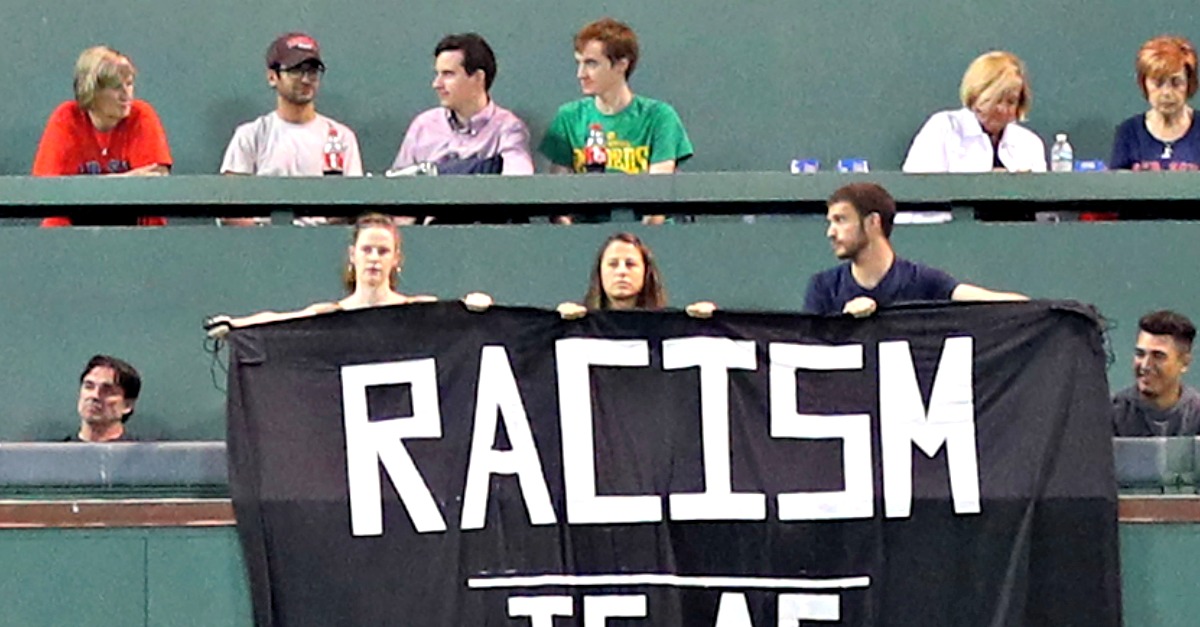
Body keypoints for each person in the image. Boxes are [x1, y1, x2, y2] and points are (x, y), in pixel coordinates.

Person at [804, 182, 1027, 317]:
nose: (831, 232)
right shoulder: (823, 288)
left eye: (841, 220)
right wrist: (843, 324)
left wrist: (1046, 315)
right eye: (830, 221)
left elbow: (993, 302)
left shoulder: (924, 282)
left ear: (873, 222)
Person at [206, 213, 436, 333]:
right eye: (367, 250)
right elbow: (280, 321)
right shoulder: (331, 314)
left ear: (396, 258)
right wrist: (237, 325)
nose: (374, 257)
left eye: (383, 251)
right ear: (352, 254)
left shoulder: (419, 308)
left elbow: (459, 318)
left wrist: (472, 306)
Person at [32, 46, 173, 227]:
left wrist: (84, 188)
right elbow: (49, 190)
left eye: (129, 84)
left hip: (131, 221)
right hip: (76, 223)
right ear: (91, 91)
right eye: (116, 88)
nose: (126, 95)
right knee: (55, 220)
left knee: (153, 217)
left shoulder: (142, 115)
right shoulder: (66, 118)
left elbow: (155, 181)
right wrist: (127, 179)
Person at [539, 18, 693, 176]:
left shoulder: (659, 117)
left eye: (591, 64)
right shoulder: (569, 117)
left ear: (621, 65)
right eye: (579, 63)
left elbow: (660, 187)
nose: (581, 74)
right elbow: (560, 190)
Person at [220, 32, 363, 178]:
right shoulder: (250, 136)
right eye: (295, 70)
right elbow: (234, 196)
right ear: (272, 77)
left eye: (312, 71)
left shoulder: (342, 138)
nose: (306, 79)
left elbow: (353, 196)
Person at [391, 33, 533, 175]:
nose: (436, 84)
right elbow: (396, 188)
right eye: (437, 74)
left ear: (478, 78)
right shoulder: (423, 126)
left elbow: (518, 185)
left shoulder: (508, 129)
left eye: (448, 74)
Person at [902, 51, 1046, 173]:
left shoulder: (1029, 144)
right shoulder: (943, 128)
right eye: (996, 100)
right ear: (977, 95)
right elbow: (920, 193)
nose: (1002, 110)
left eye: (1011, 102)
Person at [557, 232, 714, 319]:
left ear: (646, 271)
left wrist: (710, 324)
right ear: (600, 272)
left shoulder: (666, 326)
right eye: (613, 264)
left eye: (630, 264)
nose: (621, 271)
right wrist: (558, 323)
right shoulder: (578, 325)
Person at [1111, 36, 1200, 171]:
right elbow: (1117, 189)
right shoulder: (1129, 133)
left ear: (1189, 83)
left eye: (1176, 83)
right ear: (1144, 84)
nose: (1166, 93)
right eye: (1158, 83)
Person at [1113, 310, 1200, 436]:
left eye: (1158, 356)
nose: (1145, 365)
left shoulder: (1196, 416)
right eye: (1140, 354)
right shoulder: (1111, 414)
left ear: (1185, 363)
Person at [67, 355, 141, 442]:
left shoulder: (145, 454)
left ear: (127, 405)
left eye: (107, 391)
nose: (94, 395)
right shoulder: (57, 453)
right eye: (89, 386)